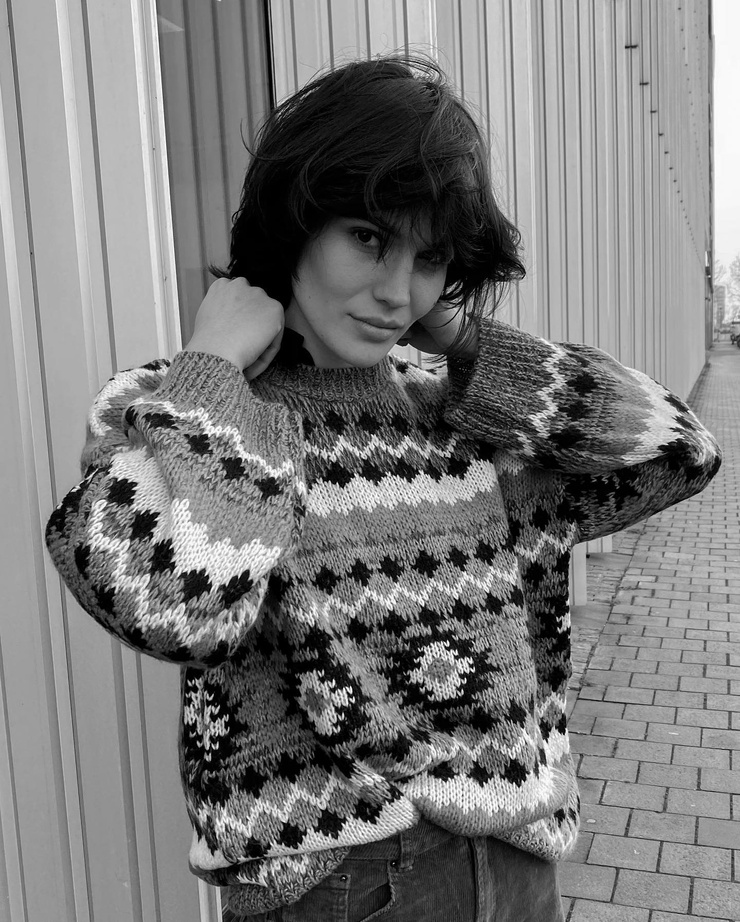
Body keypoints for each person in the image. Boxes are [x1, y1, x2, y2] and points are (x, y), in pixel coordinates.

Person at [45, 55, 720, 922]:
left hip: (519, 864)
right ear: (297, 222)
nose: (398, 292)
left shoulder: (461, 418)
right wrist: (211, 367)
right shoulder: (176, 410)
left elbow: (679, 452)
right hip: (343, 883)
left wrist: (472, 346)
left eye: (429, 257)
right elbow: (172, 606)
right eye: (368, 237)